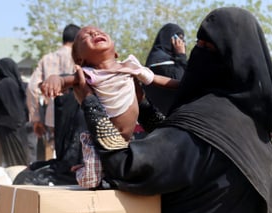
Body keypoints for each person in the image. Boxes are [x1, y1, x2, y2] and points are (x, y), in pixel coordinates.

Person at [70, 7, 272, 213]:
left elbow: (128, 166)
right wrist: (144, 107)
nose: (196, 52)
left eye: (204, 46)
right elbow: (177, 144)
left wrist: (90, 103)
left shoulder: (206, 117)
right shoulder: (255, 120)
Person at [42, 25, 179, 148]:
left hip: (129, 140)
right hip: (101, 144)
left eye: (99, 31)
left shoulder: (130, 66)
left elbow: (157, 79)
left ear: (115, 53)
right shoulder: (88, 74)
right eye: (86, 36)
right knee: (94, 174)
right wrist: (54, 79)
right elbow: (64, 81)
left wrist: (185, 85)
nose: (94, 34)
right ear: (79, 59)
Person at [26, 24, 80, 162]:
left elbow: (32, 88)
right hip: (77, 113)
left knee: (53, 151)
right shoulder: (80, 57)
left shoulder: (47, 59)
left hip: (53, 113)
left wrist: (36, 119)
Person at [143, 23, 187, 116]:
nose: (182, 43)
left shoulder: (161, 58)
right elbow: (182, 82)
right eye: (179, 38)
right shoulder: (159, 61)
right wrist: (181, 55)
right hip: (166, 117)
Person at [0, 58, 30, 167]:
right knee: (21, 155)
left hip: (8, 126)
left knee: (13, 158)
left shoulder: (4, 84)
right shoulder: (18, 83)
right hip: (20, 125)